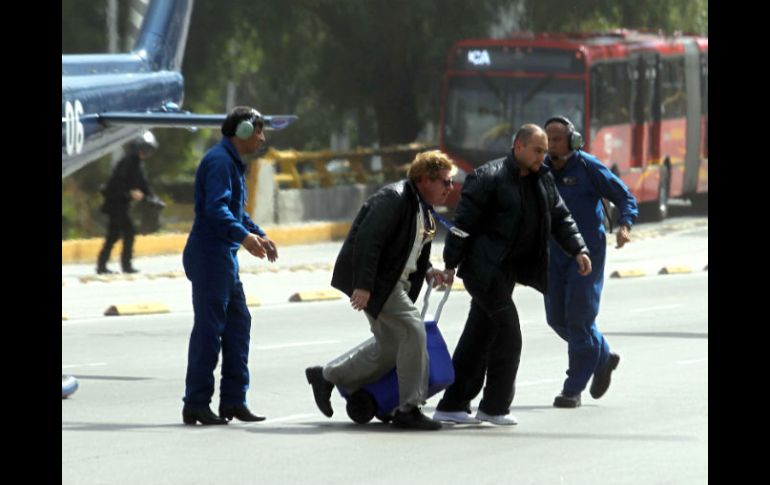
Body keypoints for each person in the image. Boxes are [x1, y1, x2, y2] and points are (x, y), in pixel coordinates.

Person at [432, 124, 591, 426]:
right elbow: (462, 224)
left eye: (545, 151)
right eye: (537, 150)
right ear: (518, 146)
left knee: (479, 335)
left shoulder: (542, 179)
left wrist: (578, 250)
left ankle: (453, 404)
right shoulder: (488, 177)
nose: (543, 157)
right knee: (509, 334)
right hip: (483, 270)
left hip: (507, 271)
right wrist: (450, 263)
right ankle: (494, 407)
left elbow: (560, 216)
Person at [305, 150, 456, 430]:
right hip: (380, 283)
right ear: (424, 179)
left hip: (392, 281)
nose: (450, 188)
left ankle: (327, 376)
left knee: (390, 347)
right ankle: (409, 408)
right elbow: (367, 241)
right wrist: (363, 285)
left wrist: (428, 271)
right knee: (413, 329)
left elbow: (408, 249)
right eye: (445, 182)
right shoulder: (395, 198)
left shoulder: (423, 209)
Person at [181, 106, 279, 426]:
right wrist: (245, 238)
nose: (262, 138)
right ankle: (196, 403)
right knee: (210, 332)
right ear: (244, 132)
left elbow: (236, 212)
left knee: (238, 325)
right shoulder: (220, 162)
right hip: (210, 256)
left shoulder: (232, 163)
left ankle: (234, 401)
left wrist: (259, 235)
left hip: (223, 257)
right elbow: (216, 211)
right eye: (259, 131)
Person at [543, 116, 638, 408]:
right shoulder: (541, 169)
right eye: (547, 139)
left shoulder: (588, 166)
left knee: (579, 319)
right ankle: (603, 356)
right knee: (557, 318)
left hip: (587, 253)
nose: (551, 145)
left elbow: (624, 197)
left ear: (572, 141)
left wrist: (625, 225)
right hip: (553, 253)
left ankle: (573, 388)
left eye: (557, 139)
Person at [96, 131, 159, 274]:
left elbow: (143, 185)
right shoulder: (127, 162)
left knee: (113, 235)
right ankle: (126, 265)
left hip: (121, 204)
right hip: (115, 204)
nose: (147, 153)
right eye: (145, 149)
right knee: (129, 232)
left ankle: (102, 265)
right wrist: (129, 193)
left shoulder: (137, 164)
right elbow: (116, 184)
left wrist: (153, 197)